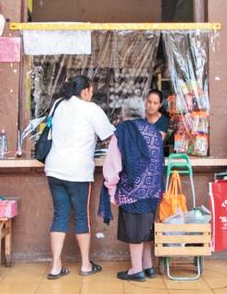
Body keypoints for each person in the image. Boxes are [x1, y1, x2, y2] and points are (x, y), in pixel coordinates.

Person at [44, 75, 115, 279]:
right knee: (81, 216)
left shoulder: (58, 105)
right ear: (85, 91)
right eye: (91, 91)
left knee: (60, 215)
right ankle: (85, 265)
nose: (92, 95)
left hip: (54, 168)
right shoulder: (91, 109)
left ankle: (55, 267)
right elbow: (110, 135)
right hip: (78, 172)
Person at [100, 99, 165, 282]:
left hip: (132, 189)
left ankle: (136, 270)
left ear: (125, 113)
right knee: (145, 228)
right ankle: (147, 266)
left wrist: (111, 189)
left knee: (135, 229)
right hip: (153, 188)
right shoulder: (154, 130)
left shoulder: (123, 131)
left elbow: (113, 164)